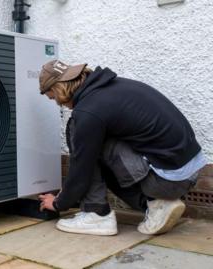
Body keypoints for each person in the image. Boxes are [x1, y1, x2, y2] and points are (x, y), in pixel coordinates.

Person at [37, 60, 207, 236]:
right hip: (186, 173)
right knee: (92, 142)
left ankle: (97, 215)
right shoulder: (112, 88)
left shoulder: (89, 111)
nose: (59, 104)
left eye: (53, 97)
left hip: (167, 181)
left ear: (59, 89)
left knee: (79, 133)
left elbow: (81, 165)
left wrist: (59, 203)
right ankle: (157, 205)